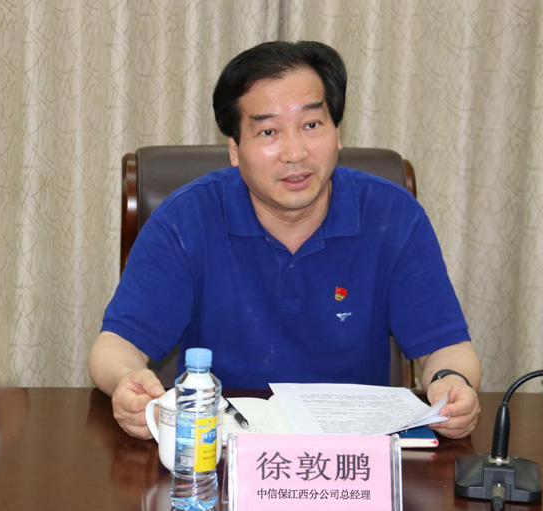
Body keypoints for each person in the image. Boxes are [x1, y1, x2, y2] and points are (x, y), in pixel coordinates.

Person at [88, 41, 481, 441]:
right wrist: (127, 380)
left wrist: (452, 384)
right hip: (220, 450)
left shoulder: (392, 215)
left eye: (311, 125)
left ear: (337, 134)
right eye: (268, 131)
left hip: (354, 455)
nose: (295, 153)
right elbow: (115, 345)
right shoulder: (185, 218)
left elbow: (446, 347)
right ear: (235, 149)